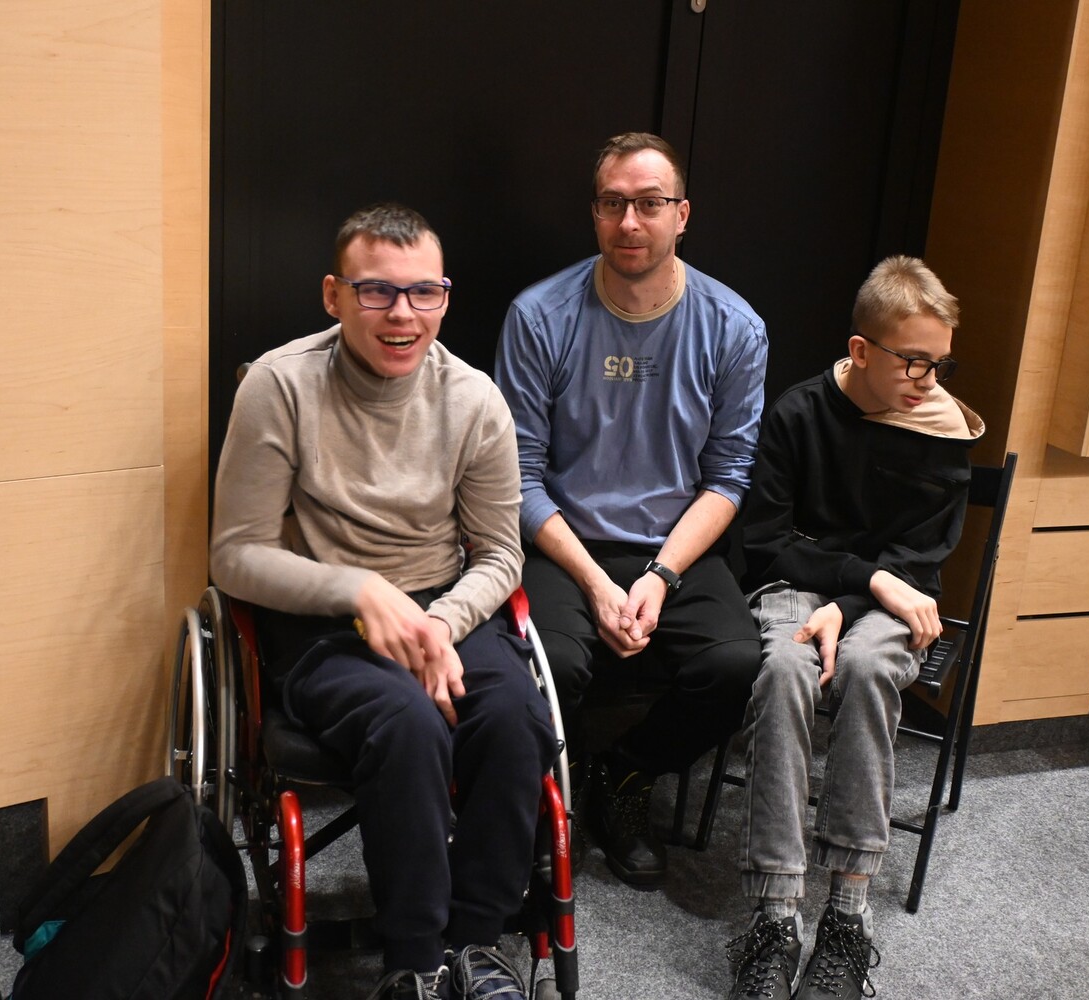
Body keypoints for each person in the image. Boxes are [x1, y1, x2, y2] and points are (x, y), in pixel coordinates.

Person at [210, 203, 556, 1000]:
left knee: (515, 719)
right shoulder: (279, 386)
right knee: (406, 725)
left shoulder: (474, 400)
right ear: (334, 295)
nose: (403, 314)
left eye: (423, 292)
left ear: (444, 297)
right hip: (324, 620)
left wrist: (440, 622)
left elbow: (500, 554)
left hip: (444, 607)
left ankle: (477, 945)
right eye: (377, 292)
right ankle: (415, 961)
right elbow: (234, 556)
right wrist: (362, 591)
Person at [494, 132, 767, 889]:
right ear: (594, 213)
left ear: (683, 214)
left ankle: (626, 771)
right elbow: (518, 476)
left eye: (649, 203)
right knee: (548, 665)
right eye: (613, 204)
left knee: (735, 665)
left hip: (676, 545)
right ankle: (550, 792)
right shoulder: (539, 316)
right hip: (562, 542)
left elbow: (728, 478)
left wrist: (660, 576)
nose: (630, 222)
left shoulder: (734, 326)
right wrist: (594, 581)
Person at [725, 256, 984, 1000]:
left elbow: (920, 559)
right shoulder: (799, 414)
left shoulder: (943, 430)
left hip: (894, 601)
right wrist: (859, 580)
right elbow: (767, 543)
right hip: (802, 584)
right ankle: (775, 914)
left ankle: (847, 913)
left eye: (940, 363)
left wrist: (855, 600)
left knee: (868, 669)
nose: (929, 380)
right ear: (861, 350)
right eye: (913, 361)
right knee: (784, 669)